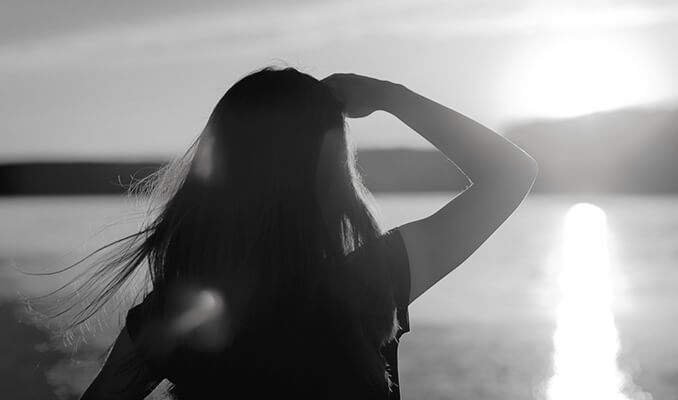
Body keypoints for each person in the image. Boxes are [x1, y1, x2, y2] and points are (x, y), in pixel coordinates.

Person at [75, 67, 537, 399]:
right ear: (331, 177)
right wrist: (390, 96)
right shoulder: (369, 282)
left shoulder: (171, 315)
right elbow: (511, 173)